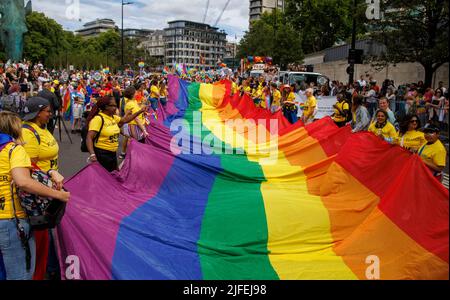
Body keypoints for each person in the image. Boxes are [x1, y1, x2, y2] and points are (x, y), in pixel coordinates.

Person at [0, 111, 70, 280]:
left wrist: (49, 170)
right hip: (11, 220)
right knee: (20, 275)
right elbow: (23, 181)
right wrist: (58, 195)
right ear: (15, 129)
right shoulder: (14, 150)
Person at [21, 97, 65, 280]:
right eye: (47, 111)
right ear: (38, 112)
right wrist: (50, 175)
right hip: (38, 193)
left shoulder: (43, 128)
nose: (51, 114)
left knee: (50, 232)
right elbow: (27, 167)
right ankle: (44, 270)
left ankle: (51, 266)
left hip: (50, 186)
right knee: (42, 234)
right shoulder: (28, 133)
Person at [86, 96, 147, 172]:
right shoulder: (98, 119)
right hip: (102, 154)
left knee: (113, 175)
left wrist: (140, 111)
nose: (116, 107)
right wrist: (92, 154)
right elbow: (89, 137)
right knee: (107, 177)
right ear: (106, 107)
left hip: (112, 153)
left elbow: (124, 120)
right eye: (113, 106)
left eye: (116, 105)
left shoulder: (113, 117)